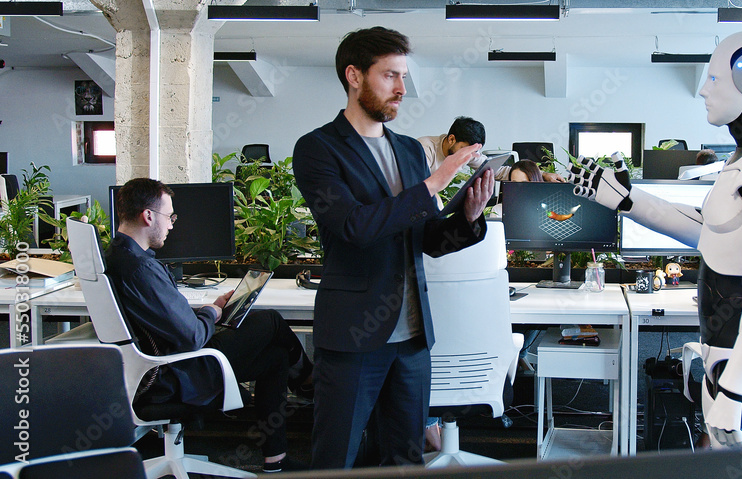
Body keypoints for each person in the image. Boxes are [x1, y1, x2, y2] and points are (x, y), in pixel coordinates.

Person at [568, 31, 742, 448]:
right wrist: (626, 199)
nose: (703, 90)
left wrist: (737, 388)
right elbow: (708, 230)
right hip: (733, 354)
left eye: (714, 79)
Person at [292, 26, 494, 469]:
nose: (402, 89)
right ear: (354, 76)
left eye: (404, 77)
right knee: (335, 459)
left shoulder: (407, 150)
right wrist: (436, 183)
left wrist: (468, 217)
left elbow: (425, 239)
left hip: (412, 337)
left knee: (405, 460)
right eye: (389, 76)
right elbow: (352, 226)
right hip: (353, 337)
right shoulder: (317, 149)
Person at [105, 178, 313, 473]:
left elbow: (172, 322)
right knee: (270, 321)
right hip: (174, 371)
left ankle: (275, 459)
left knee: (276, 357)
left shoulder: (120, 256)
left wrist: (211, 309)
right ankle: (308, 380)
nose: (172, 225)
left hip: (157, 364)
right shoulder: (140, 269)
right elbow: (191, 337)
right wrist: (211, 313)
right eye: (169, 216)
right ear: (148, 216)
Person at [418, 118, 565, 183]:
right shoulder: (424, 149)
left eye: (473, 152)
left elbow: (496, 170)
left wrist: (543, 174)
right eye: (465, 150)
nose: (468, 157)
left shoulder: (468, 154)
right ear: (451, 139)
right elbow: (419, 188)